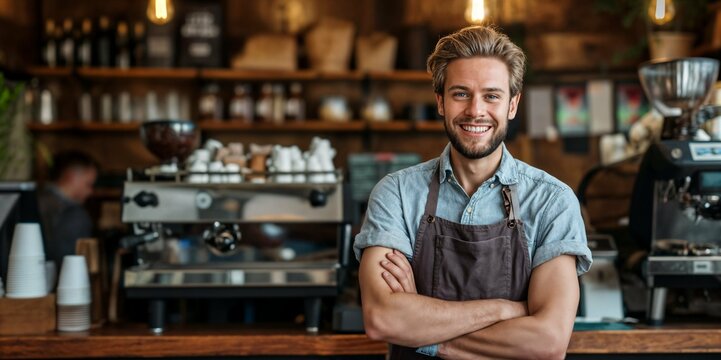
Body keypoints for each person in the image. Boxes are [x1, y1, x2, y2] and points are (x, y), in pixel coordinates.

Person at [354, 26, 592, 359]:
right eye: (461, 93)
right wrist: (504, 310)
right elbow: (383, 319)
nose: (475, 111)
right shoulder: (396, 193)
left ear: (512, 105)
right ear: (440, 101)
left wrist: (426, 337)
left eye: (491, 95)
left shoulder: (551, 200)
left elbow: (548, 341)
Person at [38, 150, 98, 267]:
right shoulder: (75, 215)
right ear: (72, 176)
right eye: (88, 184)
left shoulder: (34, 200)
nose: (91, 192)